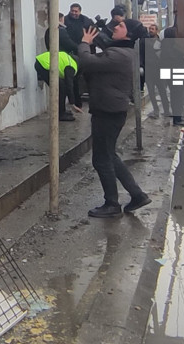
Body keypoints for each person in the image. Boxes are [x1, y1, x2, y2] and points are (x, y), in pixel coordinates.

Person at [77, 22, 150, 218]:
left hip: (107, 110)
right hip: (112, 109)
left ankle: (112, 204)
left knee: (101, 159)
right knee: (110, 155)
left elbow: (86, 62)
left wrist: (84, 43)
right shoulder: (124, 52)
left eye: (121, 26)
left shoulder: (119, 55)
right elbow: (107, 45)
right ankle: (137, 195)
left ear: (129, 35)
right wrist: (98, 33)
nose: (116, 27)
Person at [34, 46, 79, 121]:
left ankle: (61, 111)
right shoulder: (71, 66)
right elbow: (69, 85)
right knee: (60, 88)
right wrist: (72, 103)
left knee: (61, 87)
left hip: (42, 63)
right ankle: (61, 114)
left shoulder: (70, 59)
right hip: (43, 65)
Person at [159, 25, 184, 125]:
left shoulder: (163, 43)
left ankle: (176, 115)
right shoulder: (177, 45)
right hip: (177, 68)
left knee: (173, 92)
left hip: (165, 69)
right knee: (178, 93)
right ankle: (178, 118)